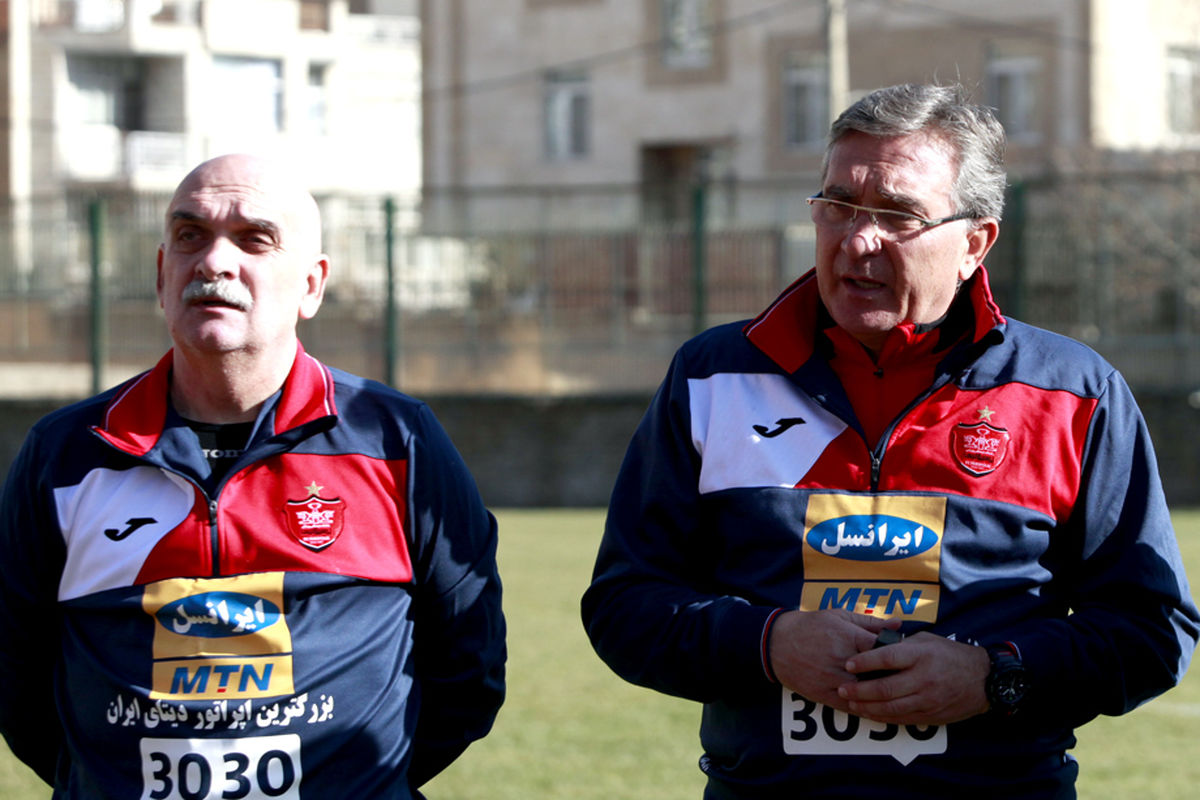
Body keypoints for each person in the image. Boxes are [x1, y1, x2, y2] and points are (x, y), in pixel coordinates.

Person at [581, 83, 1199, 798]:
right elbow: (626, 605)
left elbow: (1150, 630)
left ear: (975, 242)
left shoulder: (1072, 393)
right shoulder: (714, 377)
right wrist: (767, 645)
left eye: (898, 215)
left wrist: (994, 675)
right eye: (838, 205)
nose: (857, 239)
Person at [0, 154, 505, 798]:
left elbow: (470, 668)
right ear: (161, 275)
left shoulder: (397, 443)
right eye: (189, 236)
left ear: (311, 285)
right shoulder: (67, 454)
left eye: (254, 240)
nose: (213, 262)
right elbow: (16, 677)